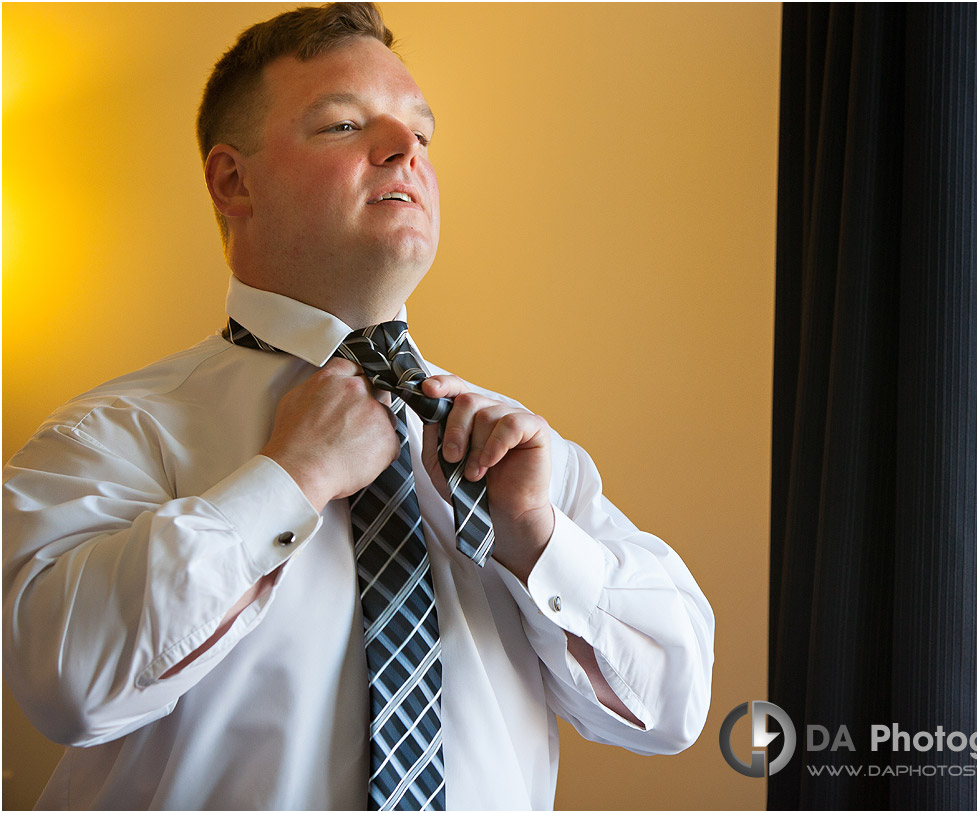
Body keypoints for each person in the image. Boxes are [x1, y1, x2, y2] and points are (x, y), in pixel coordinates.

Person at [1, 3, 714, 809]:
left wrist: (536, 539)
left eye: (421, 132)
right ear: (233, 181)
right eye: (344, 125)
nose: (405, 149)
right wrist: (288, 478)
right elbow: (65, 685)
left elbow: (676, 703)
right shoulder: (109, 436)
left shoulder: (522, 457)